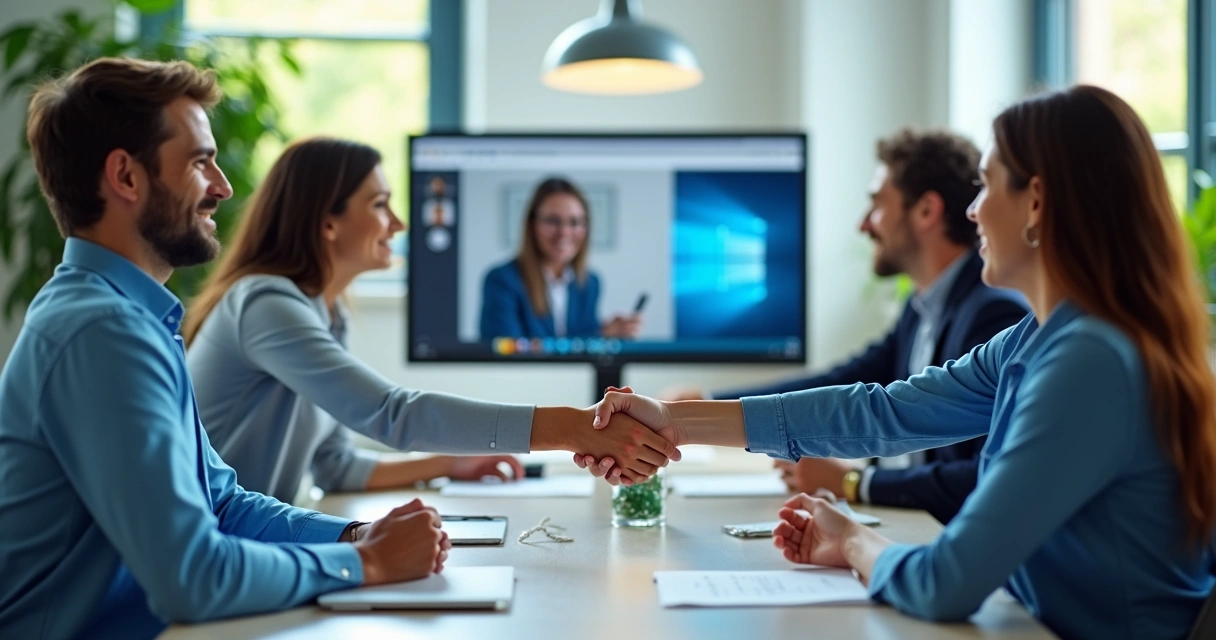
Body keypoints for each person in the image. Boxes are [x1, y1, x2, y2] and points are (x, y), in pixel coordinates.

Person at [0, 58, 676, 640]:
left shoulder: (133, 319)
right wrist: (370, 563)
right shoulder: (102, 332)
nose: (224, 186)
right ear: (126, 176)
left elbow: (227, 503)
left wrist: (357, 538)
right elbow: (193, 576)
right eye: (200, 162)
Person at [579, 86, 1216, 639]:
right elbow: (882, 411)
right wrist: (676, 418)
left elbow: (946, 583)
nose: (972, 211)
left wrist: (850, 536)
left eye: (987, 186)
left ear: (1037, 202)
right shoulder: (1038, 338)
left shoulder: (1090, 363)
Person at [665, 129, 1028, 524]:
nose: (863, 225)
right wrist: (703, 404)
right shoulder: (925, 305)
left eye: (876, 206)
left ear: (926, 211)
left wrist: (857, 481)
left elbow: (986, 477)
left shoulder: (996, 317)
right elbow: (857, 389)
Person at [185, 139, 525, 504]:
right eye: (380, 205)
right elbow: (392, 414)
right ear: (328, 223)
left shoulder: (326, 313)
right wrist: (572, 429)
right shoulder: (266, 306)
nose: (397, 223)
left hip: (251, 535)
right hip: (215, 542)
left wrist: (448, 465)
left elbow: (335, 466)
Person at [479, 177, 641, 340]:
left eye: (575, 222)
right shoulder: (502, 280)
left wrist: (605, 334)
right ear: (532, 225)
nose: (564, 232)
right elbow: (505, 350)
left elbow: (580, 345)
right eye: (552, 221)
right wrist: (593, 338)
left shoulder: (589, 283)